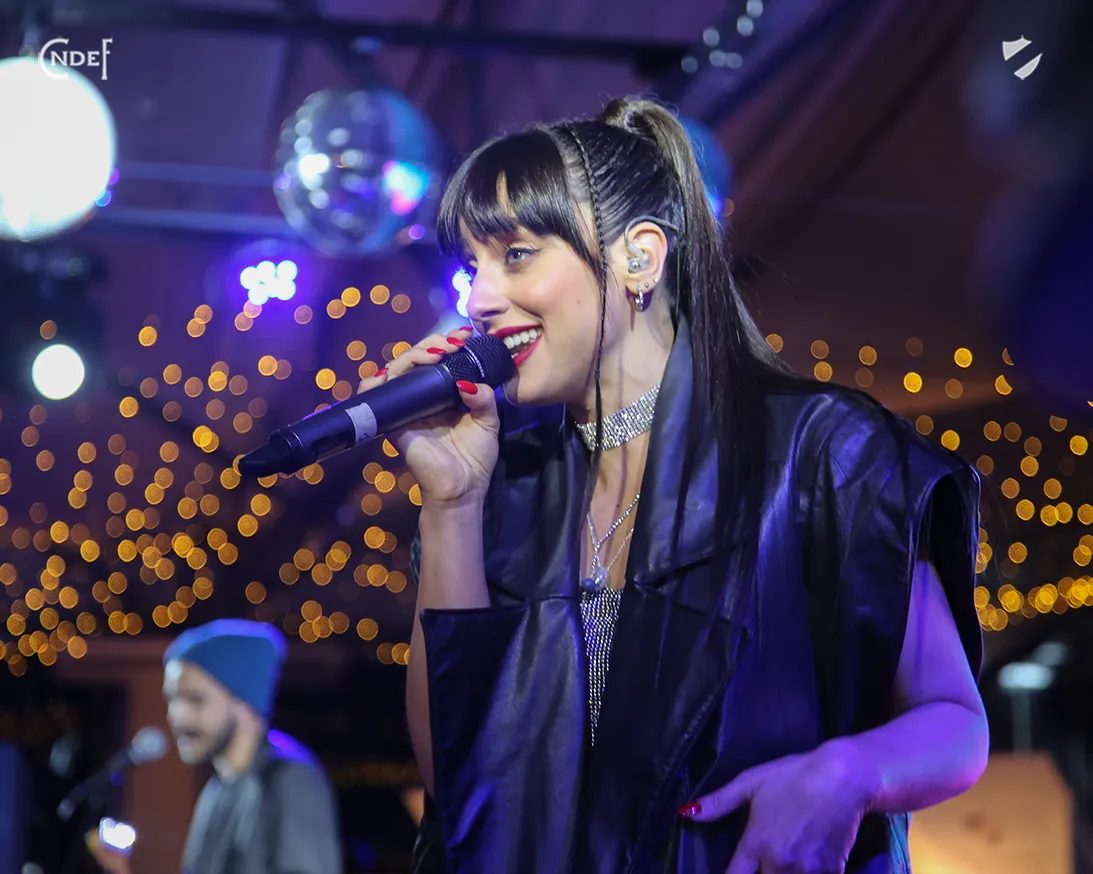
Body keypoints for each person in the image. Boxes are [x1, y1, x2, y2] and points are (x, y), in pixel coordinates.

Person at [360, 96, 990, 873]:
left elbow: (954, 722)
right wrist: (451, 502)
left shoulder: (822, 449)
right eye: (470, 267)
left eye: (514, 254)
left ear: (639, 257)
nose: (478, 299)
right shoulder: (501, 487)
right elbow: (456, 782)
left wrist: (844, 774)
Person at [86, 619, 343, 874]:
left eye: (195, 699)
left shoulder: (290, 780)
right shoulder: (218, 789)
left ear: (245, 704)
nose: (177, 716)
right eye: (172, 699)